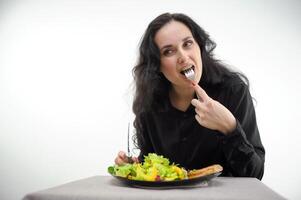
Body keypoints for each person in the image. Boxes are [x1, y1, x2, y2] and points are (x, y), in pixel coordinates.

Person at [114, 13, 265, 180]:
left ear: (199, 46)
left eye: (187, 44)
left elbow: (255, 175)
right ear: (157, 65)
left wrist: (229, 127)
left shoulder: (233, 90)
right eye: (168, 51)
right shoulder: (150, 104)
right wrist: (134, 168)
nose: (183, 56)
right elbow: (155, 170)